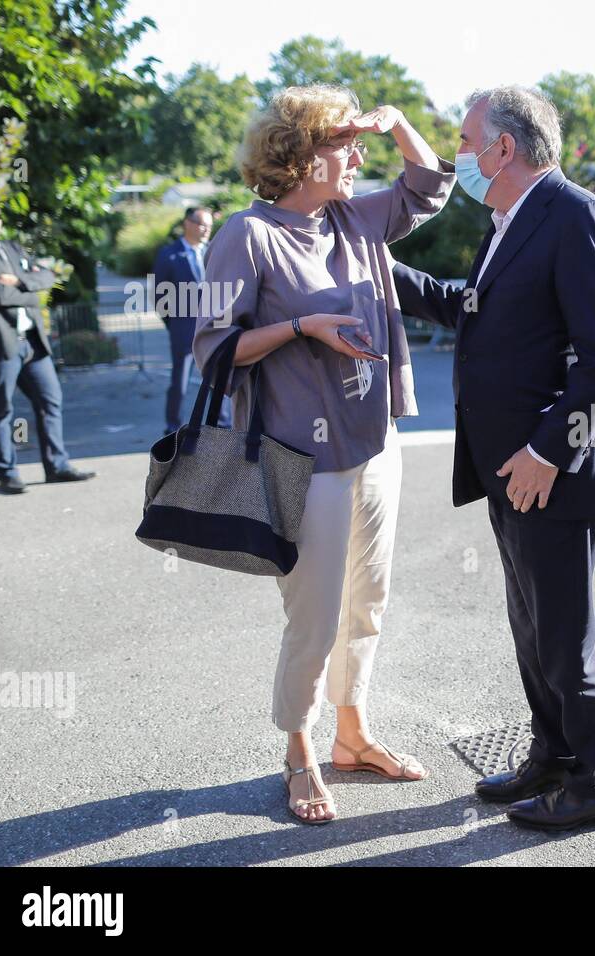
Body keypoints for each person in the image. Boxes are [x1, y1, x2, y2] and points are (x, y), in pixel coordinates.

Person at [192, 85, 455, 824]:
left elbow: (429, 185)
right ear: (302, 155)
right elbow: (215, 348)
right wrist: (301, 325)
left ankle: (353, 735)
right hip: (301, 460)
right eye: (343, 143)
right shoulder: (248, 236)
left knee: (367, 605)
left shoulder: (353, 215)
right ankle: (298, 753)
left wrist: (399, 121)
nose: (357, 156)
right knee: (314, 616)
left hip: (375, 443)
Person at [393, 85, 595, 831]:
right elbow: (472, 304)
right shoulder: (510, 220)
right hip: (509, 470)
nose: (457, 156)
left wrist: (545, 451)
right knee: (532, 630)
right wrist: (381, 270)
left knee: (566, 636)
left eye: (464, 142)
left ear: (503, 147)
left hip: (548, 470)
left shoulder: (575, 214)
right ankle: (554, 755)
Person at [0, 195, 95, 493]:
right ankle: (7, 473)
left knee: (50, 401)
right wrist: (27, 288)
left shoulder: (11, 248)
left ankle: (57, 466)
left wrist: (16, 281)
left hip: (32, 344)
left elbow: (48, 275)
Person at [153, 207, 231, 435]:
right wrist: (175, 323)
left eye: (209, 224)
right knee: (181, 382)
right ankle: (172, 428)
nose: (207, 229)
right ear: (187, 223)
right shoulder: (169, 254)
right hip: (183, 328)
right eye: (201, 224)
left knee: (220, 378)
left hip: (216, 328)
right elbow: (160, 296)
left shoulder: (216, 251)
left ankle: (223, 427)